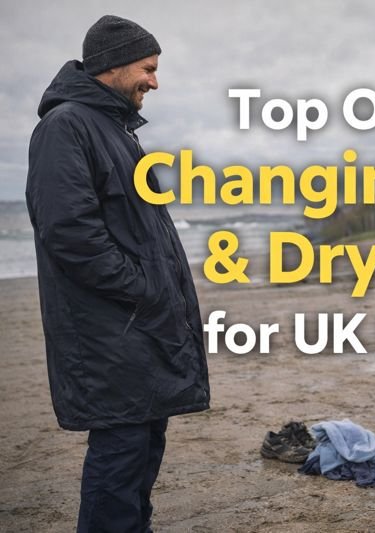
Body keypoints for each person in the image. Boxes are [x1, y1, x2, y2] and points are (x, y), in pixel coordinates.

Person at [25, 15, 210, 532]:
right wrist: (143, 289)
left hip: (134, 331)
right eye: (148, 68)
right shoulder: (66, 127)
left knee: (142, 450)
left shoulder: (113, 129)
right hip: (110, 334)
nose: (154, 81)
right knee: (120, 457)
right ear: (113, 65)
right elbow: (69, 232)